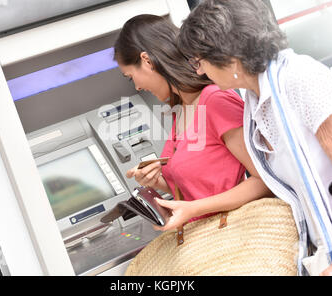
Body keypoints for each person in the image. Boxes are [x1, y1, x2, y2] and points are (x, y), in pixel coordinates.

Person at [176, 0, 332, 276]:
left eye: (200, 61)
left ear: (230, 59)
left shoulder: (300, 78)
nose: (199, 72)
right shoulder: (255, 102)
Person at [114, 14, 273, 230]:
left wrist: (194, 209)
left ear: (147, 61)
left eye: (131, 76)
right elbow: (201, 188)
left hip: (239, 234)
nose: (137, 87)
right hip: (211, 241)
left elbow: (265, 180)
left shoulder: (215, 100)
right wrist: (156, 182)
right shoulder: (180, 111)